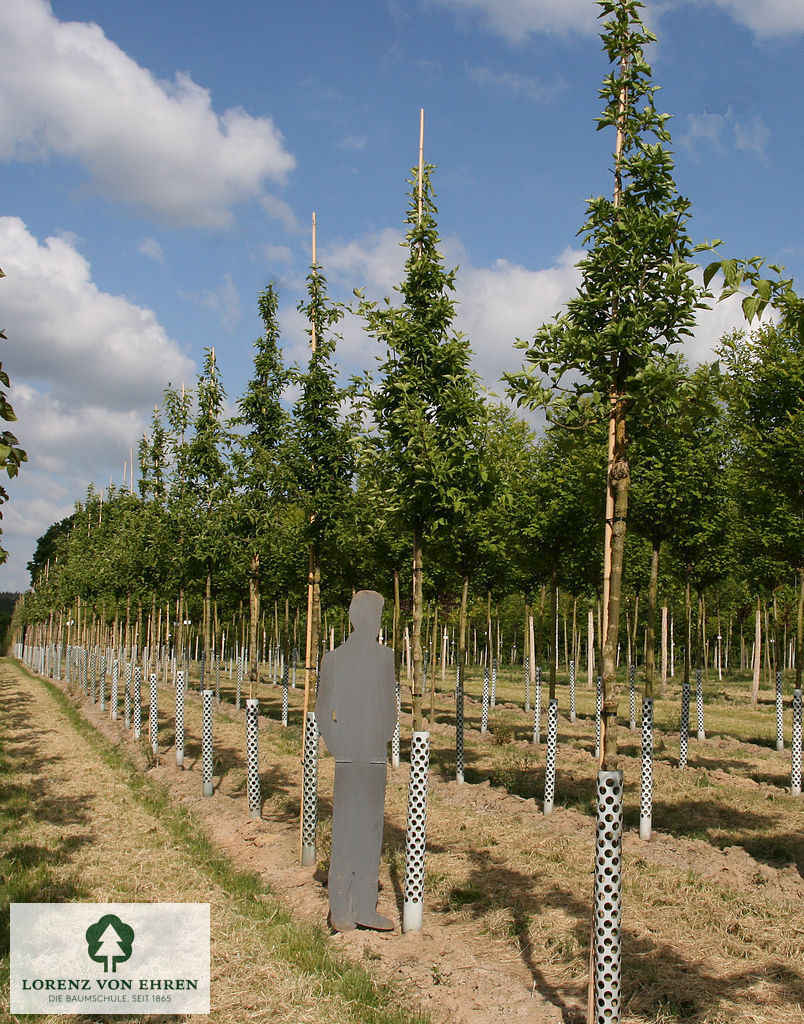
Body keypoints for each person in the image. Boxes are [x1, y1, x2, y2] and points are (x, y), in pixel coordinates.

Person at [317, 590, 398, 931]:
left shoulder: (385, 658)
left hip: (374, 757)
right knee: (348, 828)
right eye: (374, 616)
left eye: (380, 617)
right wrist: (340, 747)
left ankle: (365, 907)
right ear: (359, 618)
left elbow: (390, 709)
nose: (377, 624)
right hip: (350, 758)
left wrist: (379, 740)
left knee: (372, 828)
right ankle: (340, 908)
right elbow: (323, 713)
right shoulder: (334, 660)